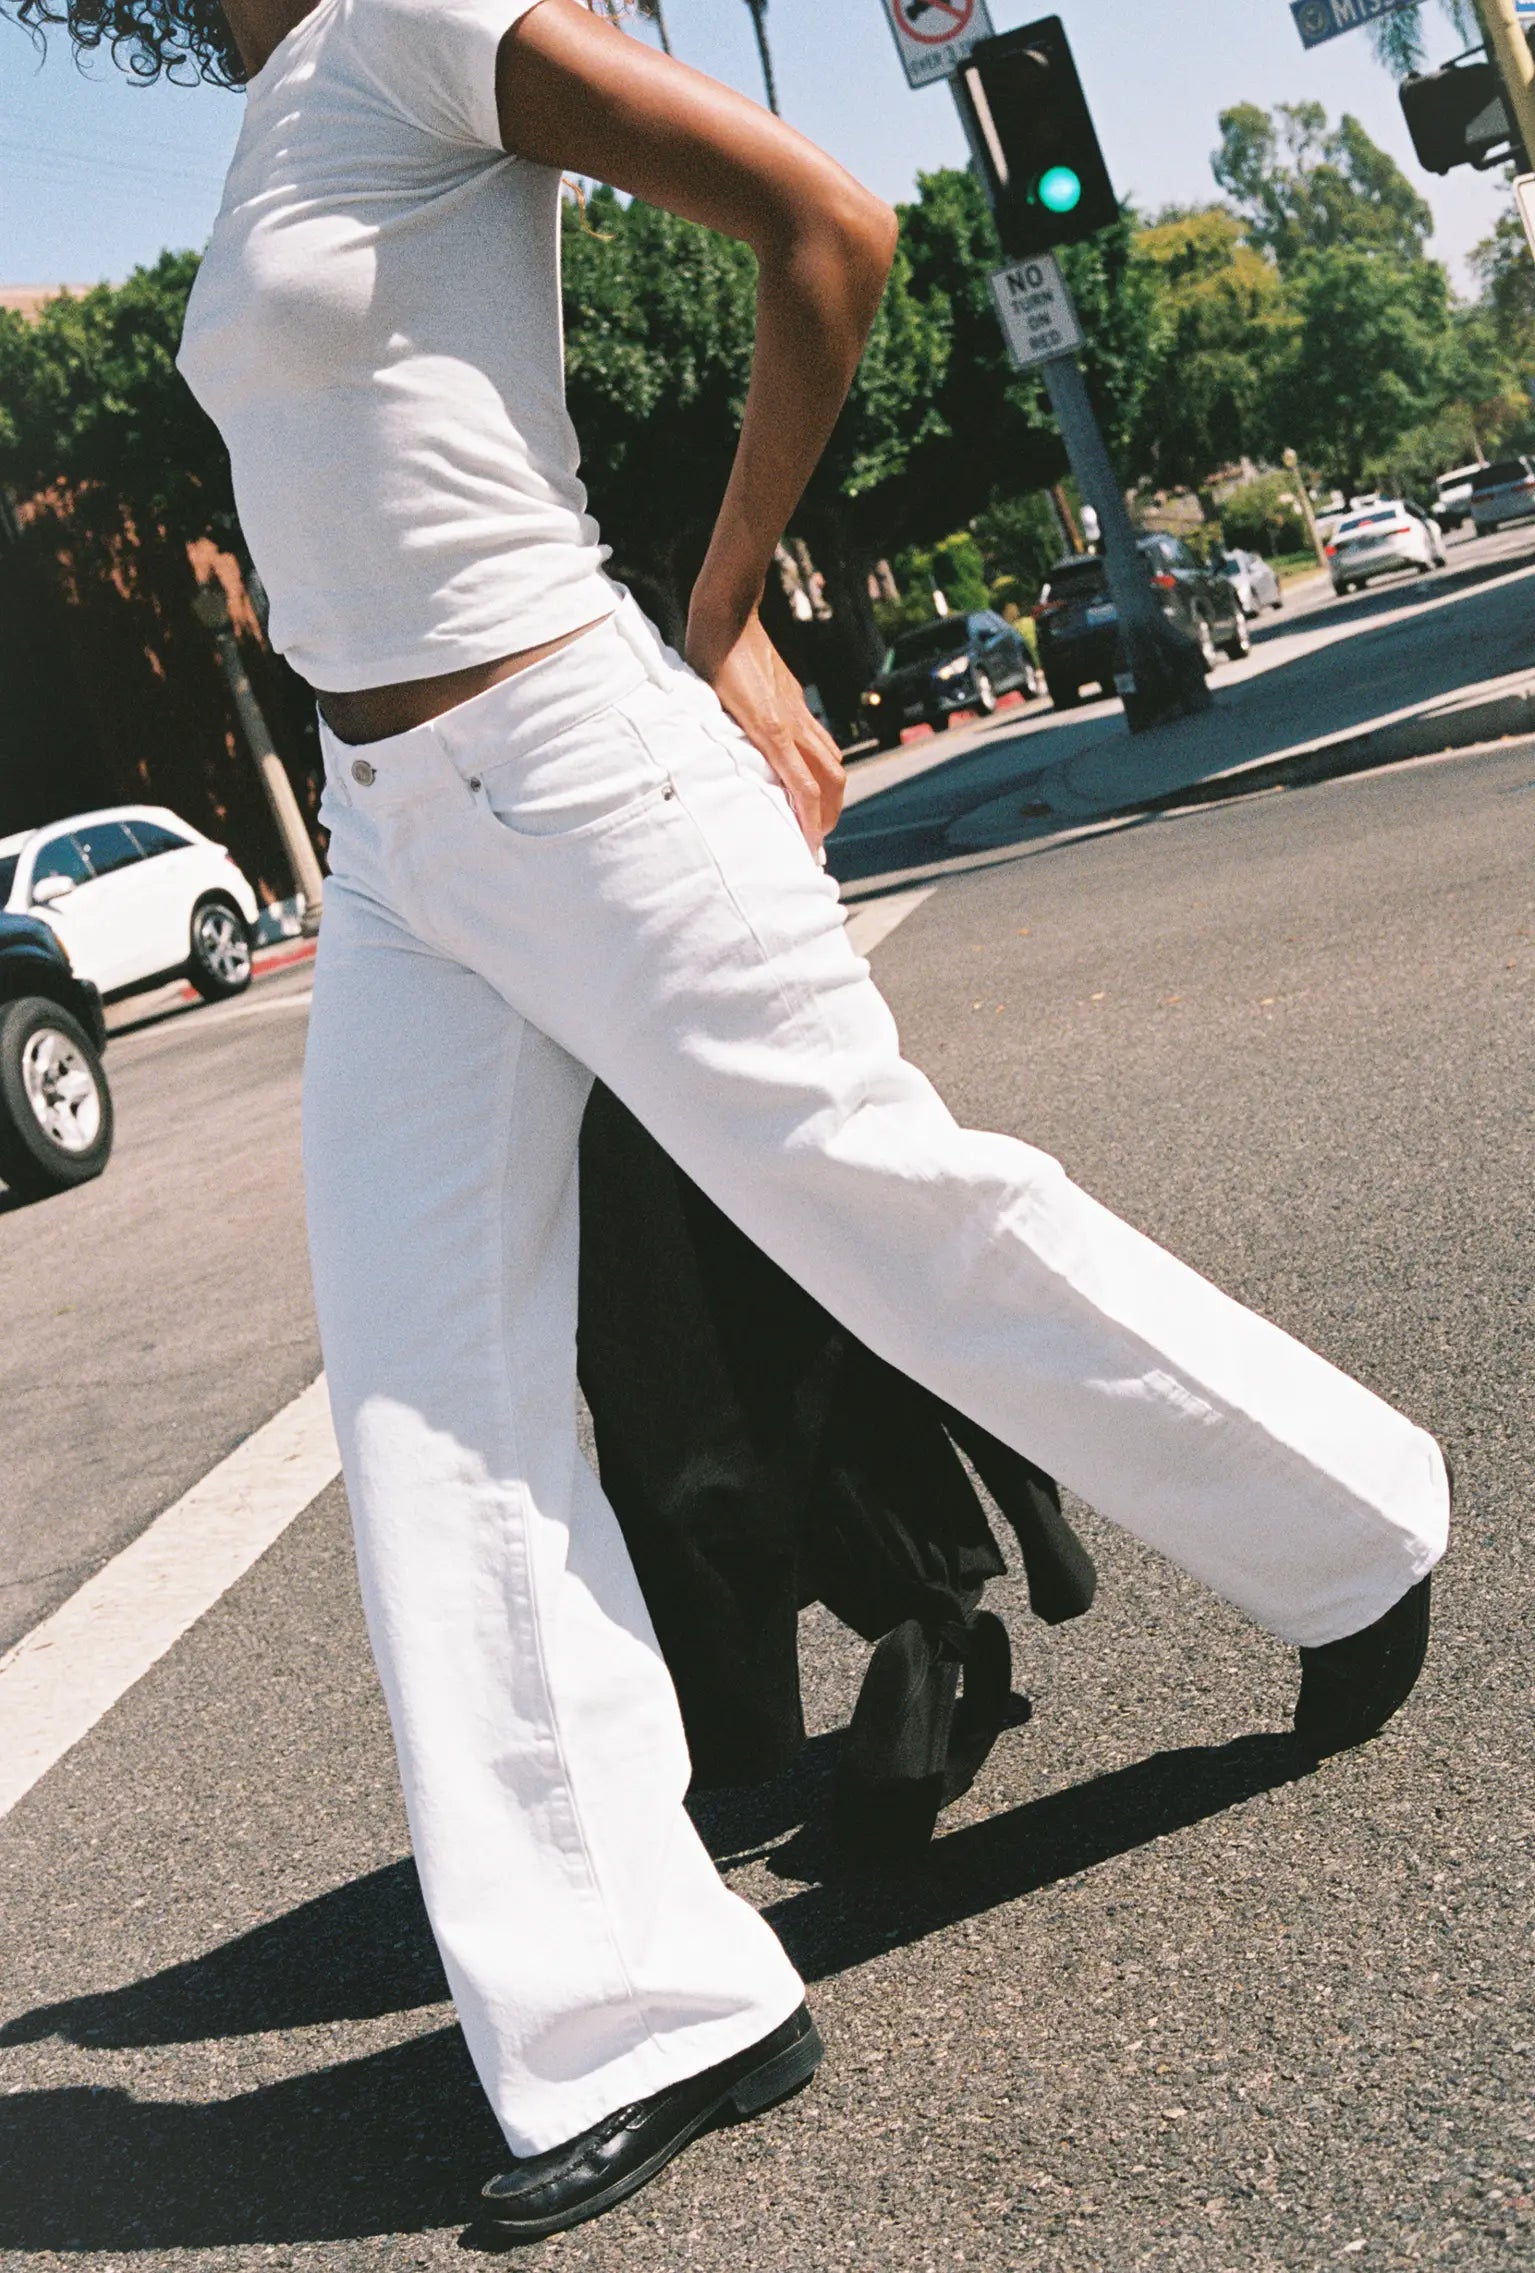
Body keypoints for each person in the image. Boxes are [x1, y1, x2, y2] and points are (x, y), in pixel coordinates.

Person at [24, 0, 1448, 2235]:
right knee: (431, 1403)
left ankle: (1350, 1527)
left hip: (572, 755)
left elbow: (828, 223)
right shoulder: (269, 112)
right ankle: (635, 2008)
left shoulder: (416, 21)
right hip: (390, 839)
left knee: (891, 1211)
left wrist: (727, 598)